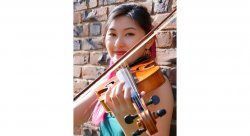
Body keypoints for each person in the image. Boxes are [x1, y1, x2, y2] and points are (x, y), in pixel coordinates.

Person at [74, 3, 174, 136]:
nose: (117, 43)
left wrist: (127, 119)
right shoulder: (111, 80)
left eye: (129, 34)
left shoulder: (157, 85)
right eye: (113, 34)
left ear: (149, 41)